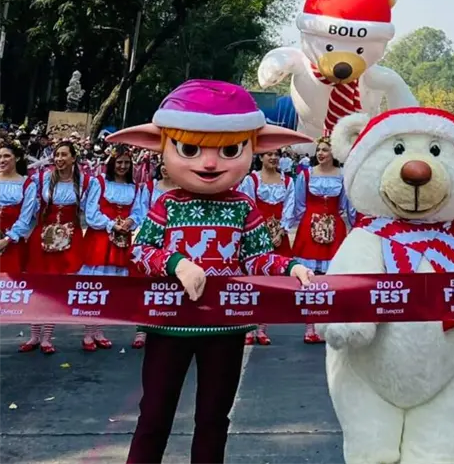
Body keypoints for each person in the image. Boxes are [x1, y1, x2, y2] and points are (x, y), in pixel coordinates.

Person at [106, 79, 314, 464]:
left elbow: (257, 258)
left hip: (225, 325)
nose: (209, 163)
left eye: (229, 150)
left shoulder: (243, 207)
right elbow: (140, 251)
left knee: (214, 419)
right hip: (169, 323)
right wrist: (177, 263)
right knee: (154, 416)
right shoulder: (167, 204)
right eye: (190, 149)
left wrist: (292, 266)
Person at [23, 141, 91, 355]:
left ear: (73, 158)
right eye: (57, 155)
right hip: (43, 236)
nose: (59, 159)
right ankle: (34, 335)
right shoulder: (43, 178)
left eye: (64, 155)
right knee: (37, 285)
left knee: (56, 287)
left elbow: (91, 209)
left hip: (69, 237)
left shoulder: (85, 182)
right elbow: (31, 205)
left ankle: (46, 337)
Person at [78, 145, 148, 351]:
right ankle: (88, 333)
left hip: (120, 240)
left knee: (109, 287)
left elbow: (139, 211)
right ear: (112, 163)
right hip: (100, 239)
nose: (123, 166)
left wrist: (130, 221)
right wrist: (111, 224)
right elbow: (91, 212)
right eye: (119, 162)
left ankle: (99, 331)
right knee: (94, 286)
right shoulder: (99, 182)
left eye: (126, 163)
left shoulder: (134, 187)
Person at [288, 135, 355, 344]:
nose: (320, 153)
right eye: (319, 150)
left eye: (325, 150)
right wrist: (306, 222)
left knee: (332, 278)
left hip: (334, 227)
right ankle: (310, 325)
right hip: (309, 228)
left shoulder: (342, 176)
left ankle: (327, 324)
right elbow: (299, 203)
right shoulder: (307, 175)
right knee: (309, 277)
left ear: (333, 153)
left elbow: (345, 205)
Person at [238, 150, 296, 345]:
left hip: (278, 235)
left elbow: (290, 207)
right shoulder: (251, 180)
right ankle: (248, 327)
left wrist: (281, 232)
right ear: (261, 157)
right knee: (250, 282)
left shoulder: (288, 181)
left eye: (276, 154)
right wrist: (256, 233)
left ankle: (262, 328)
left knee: (269, 285)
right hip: (254, 236)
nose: (273, 158)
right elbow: (246, 207)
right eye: (268, 154)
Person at [132, 161, 178, 350]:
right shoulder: (151, 188)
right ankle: (142, 329)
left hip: (174, 240)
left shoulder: (183, 189)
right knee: (147, 284)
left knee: (172, 283)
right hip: (153, 238)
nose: (166, 168)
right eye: (163, 164)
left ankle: (169, 323)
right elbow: (142, 211)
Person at [0, 141, 38, 275]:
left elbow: (25, 217)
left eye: (6, 156)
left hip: (12, 242)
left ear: (16, 158)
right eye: (0, 157)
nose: (2, 160)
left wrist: (7, 240)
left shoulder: (28, 184)